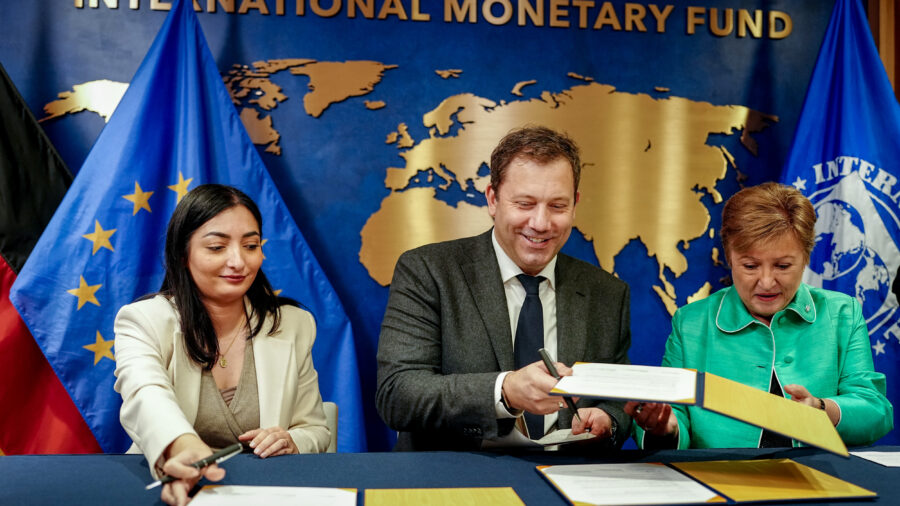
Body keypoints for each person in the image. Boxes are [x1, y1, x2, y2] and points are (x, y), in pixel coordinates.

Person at [376, 126, 632, 451]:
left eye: (557, 206)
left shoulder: (607, 294)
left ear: (575, 204)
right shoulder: (429, 271)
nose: (540, 223)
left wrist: (609, 420)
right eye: (525, 204)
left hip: (567, 475)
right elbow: (398, 394)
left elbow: (617, 399)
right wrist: (505, 391)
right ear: (493, 200)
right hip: (456, 475)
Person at [628, 182, 893, 449]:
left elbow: (874, 411)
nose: (766, 282)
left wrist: (823, 409)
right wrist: (666, 427)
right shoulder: (690, 323)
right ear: (730, 258)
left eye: (783, 266)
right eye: (750, 266)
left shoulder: (842, 313)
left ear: (806, 258)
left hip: (819, 472)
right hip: (721, 472)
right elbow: (672, 415)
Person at [114, 184, 329, 506]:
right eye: (217, 247)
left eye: (251, 245)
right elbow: (145, 394)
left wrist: (292, 440)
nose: (238, 261)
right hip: (178, 486)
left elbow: (315, 429)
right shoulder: (143, 320)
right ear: (182, 254)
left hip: (268, 491)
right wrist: (183, 446)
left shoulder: (293, 323)